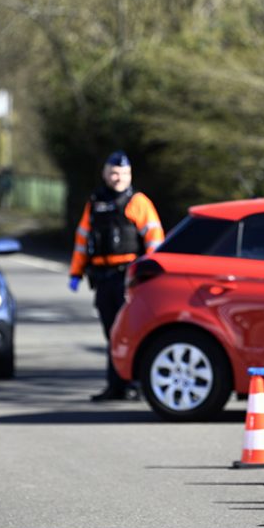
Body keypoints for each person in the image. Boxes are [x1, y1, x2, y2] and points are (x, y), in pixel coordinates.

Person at [68, 151, 164, 401]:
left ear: (130, 175)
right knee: (111, 333)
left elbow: (154, 240)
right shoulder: (95, 202)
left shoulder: (138, 202)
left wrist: (151, 274)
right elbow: (82, 240)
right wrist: (76, 272)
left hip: (129, 277)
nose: (118, 177)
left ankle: (135, 385)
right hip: (103, 278)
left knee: (130, 332)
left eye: (123, 173)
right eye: (113, 172)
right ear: (105, 174)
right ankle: (115, 386)